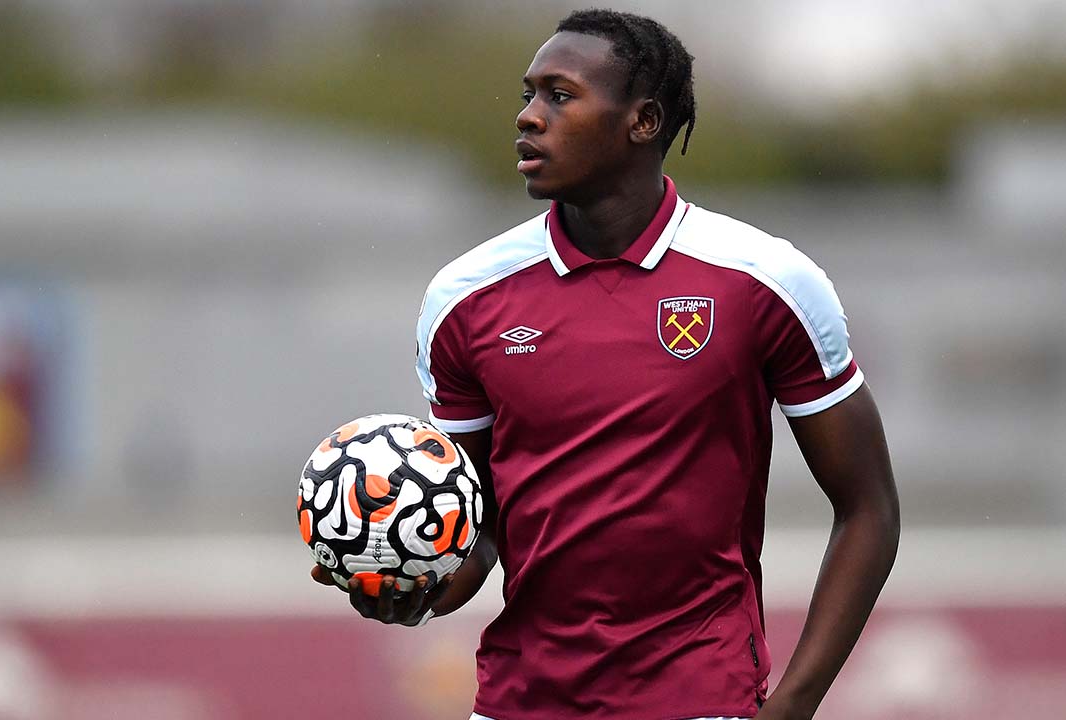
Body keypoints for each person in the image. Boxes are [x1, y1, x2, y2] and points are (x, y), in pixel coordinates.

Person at [312, 8, 900, 720]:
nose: (528, 117)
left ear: (644, 120)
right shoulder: (464, 298)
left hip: (701, 698)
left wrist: (794, 705)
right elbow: (481, 528)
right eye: (529, 94)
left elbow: (868, 507)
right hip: (519, 702)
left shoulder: (764, 281)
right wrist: (415, 584)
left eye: (559, 96)